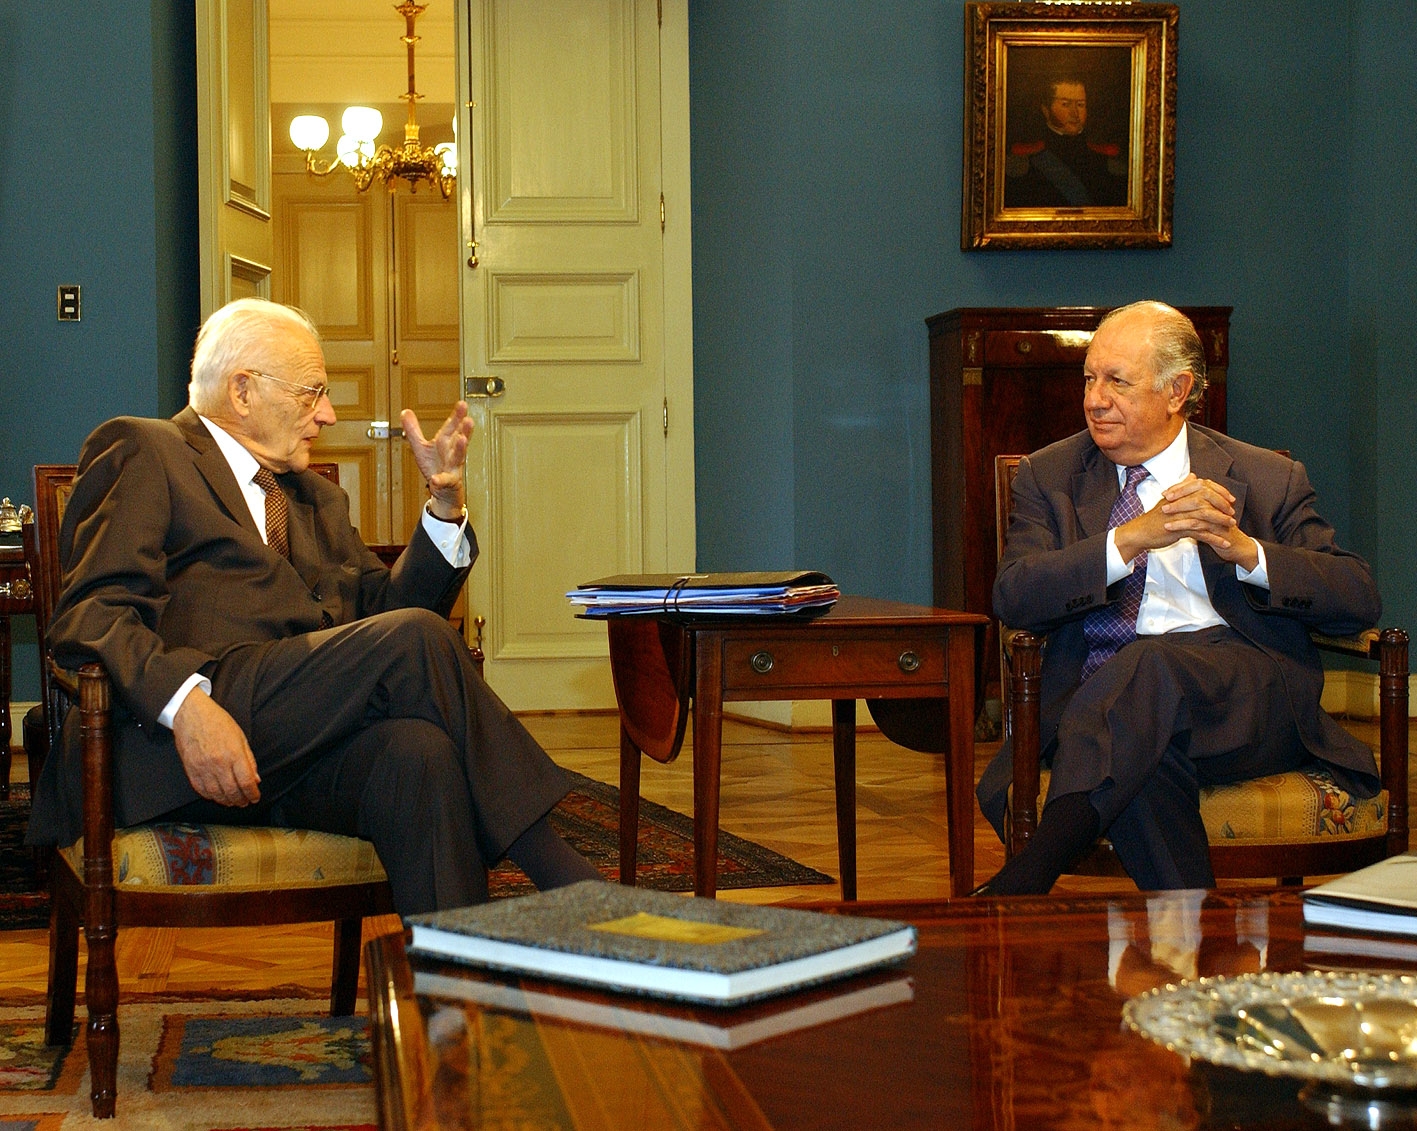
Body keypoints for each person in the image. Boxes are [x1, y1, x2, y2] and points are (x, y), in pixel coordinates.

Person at [25, 298, 600, 915]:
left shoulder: (315, 498)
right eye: (312, 393)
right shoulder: (147, 450)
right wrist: (187, 707)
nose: (327, 414)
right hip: (178, 743)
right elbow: (91, 614)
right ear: (242, 391)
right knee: (414, 640)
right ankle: (576, 888)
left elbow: (389, 612)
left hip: (299, 747)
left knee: (420, 756)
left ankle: (459, 976)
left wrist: (443, 505)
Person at [973, 300, 1381, 894]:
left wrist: (1246, 551)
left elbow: (1357, 594)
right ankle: (1195, 938)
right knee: (1145, 752)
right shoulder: (1050, 475)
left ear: (1176, 391)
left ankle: (1025, 880)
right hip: (1107, 711)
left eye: (1117, 382)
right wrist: (1131, 538)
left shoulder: (1266, 477)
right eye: (1088, 379)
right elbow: (1014, 595)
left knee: (1150, 666)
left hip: (1242, 699)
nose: (1094, 399)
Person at [1005, 77, 1127, 208]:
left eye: (1080, 105)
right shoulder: (1024, 162)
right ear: (1046, 110)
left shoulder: (1106, 160)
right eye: (1065, 104)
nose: (1075, 113)